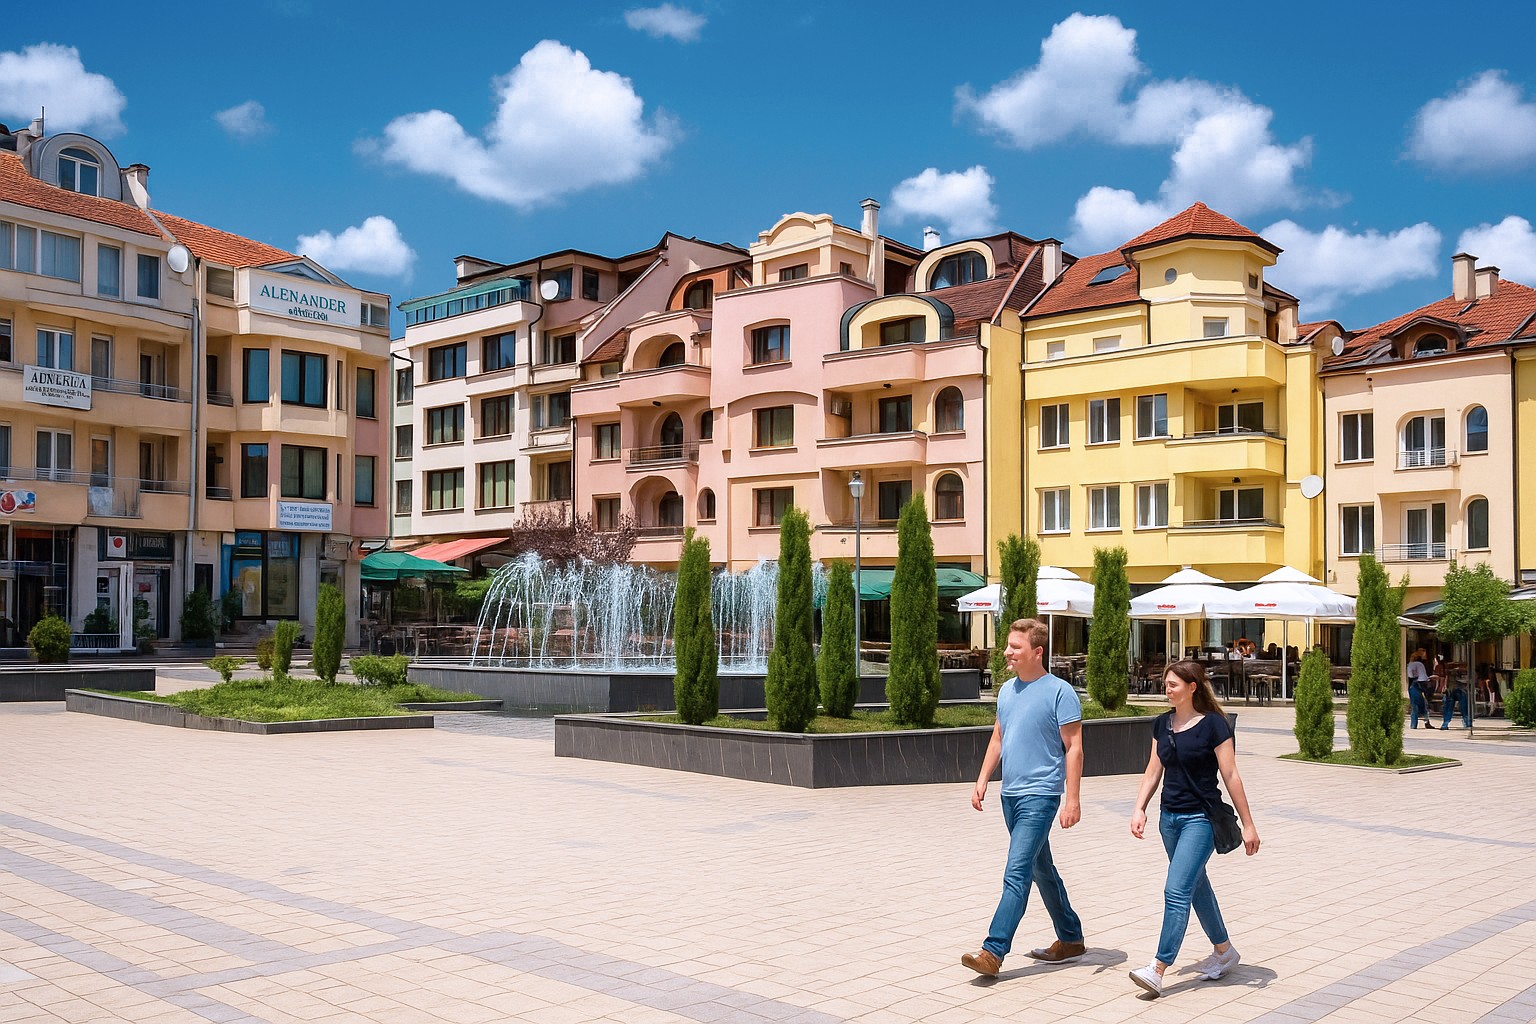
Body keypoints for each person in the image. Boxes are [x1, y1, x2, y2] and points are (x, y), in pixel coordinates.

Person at [962, 617, 1087, 978]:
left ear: (1037, 651)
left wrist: (1072, 799)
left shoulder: (1060, 692)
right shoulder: (1006, 691)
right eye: (1008, 646)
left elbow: (1074, 748)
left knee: (1016, 871)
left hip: (1041, 794)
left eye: (1015, 647)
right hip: (1010, 795)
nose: (1007, 652)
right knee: (1040, 867)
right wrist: (982, 779)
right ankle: (1071, 937)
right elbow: (999, 736)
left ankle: (993, 950)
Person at [1127, 660, 1260, 998]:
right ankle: (1224, 951)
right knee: (1196, 887)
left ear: (1192, 687)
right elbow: (1152, 771)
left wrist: (1248, 824)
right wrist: (1139, 808)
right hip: (1168, 819)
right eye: (1165, 684)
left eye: (1172, 684)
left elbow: (1230, 775)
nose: (1166, 689)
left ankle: (1158, 968)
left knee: (1176, 891)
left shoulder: (1215, 725)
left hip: (1200, 819)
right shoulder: (1162, 724)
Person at [1407, 650, 1435, 730]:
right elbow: (1423, 678)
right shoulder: (1419, 664)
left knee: (1414, 705)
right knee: (1424, 704)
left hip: (1411, 686)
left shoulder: (1409, 665)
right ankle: (1426, 722)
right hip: (1418, 686)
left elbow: (1410, 676)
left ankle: (1413, 724)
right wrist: (1430, 679)